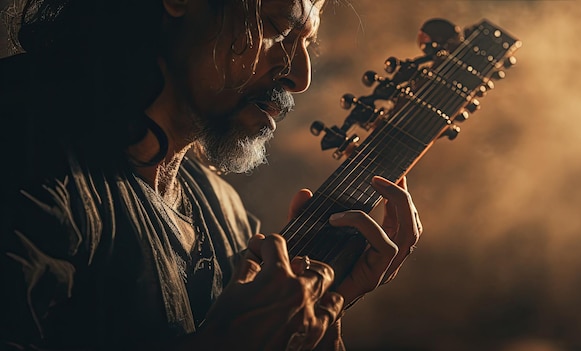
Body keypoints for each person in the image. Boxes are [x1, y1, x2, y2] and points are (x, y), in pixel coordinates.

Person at [0, 0, 423, 350]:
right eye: (278, 29)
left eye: (306, 44)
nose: (300, 77)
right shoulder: (24, 146)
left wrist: (319, 308)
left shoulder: (226, 212)